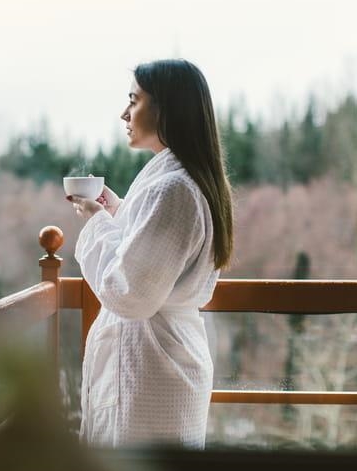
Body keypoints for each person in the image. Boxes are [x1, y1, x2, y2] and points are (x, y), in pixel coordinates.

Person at [66, 59, 234, 448]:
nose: (124, 113)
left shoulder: (172, 189)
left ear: (166, 109)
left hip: (152, 368)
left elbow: (130, 292)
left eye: (134, 100)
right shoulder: (182, 180)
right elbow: (155, 252)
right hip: (164, 358)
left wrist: (95, 220)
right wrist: (116, 211)